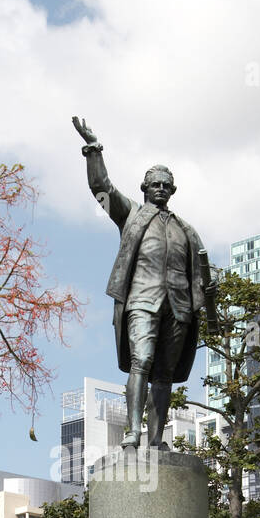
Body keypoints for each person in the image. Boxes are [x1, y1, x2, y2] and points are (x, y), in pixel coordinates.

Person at [72, 116, 215, 448]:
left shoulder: (186, 229)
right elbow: (101, 188)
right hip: (142, 300)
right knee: (142, 361)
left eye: (167, 185)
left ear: (173, 190)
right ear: (145, 188)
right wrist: (93, 149)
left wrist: (207, 293)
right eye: (156, 184)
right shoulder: (132, 215)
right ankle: (134, 432)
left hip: (179, 307)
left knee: (164, 375)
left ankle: (156, 439)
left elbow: (201, 271)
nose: (161, 189)